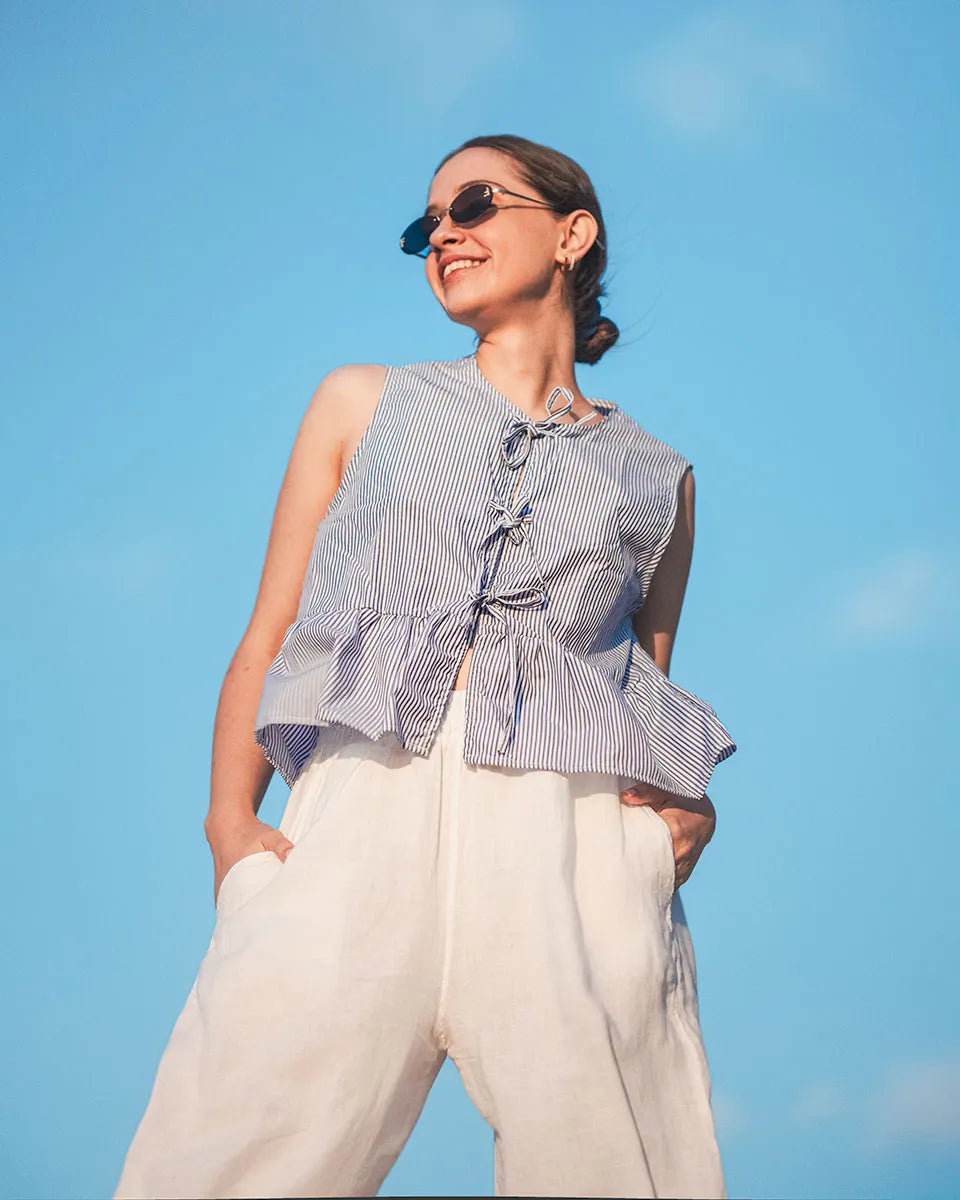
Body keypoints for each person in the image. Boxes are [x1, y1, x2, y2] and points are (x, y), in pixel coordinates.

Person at [112, 133, 737, 1200]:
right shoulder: (364, 402)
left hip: (567, 840)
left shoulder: (659, 482)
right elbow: (270, 630)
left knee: (610, 1169)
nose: (444, 232)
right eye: (426, 225)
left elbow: (641, 695)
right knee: (226, 1153)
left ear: (573, 234)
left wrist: (678, 821)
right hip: (360, 809)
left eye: (477, 204)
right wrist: (232, 833)